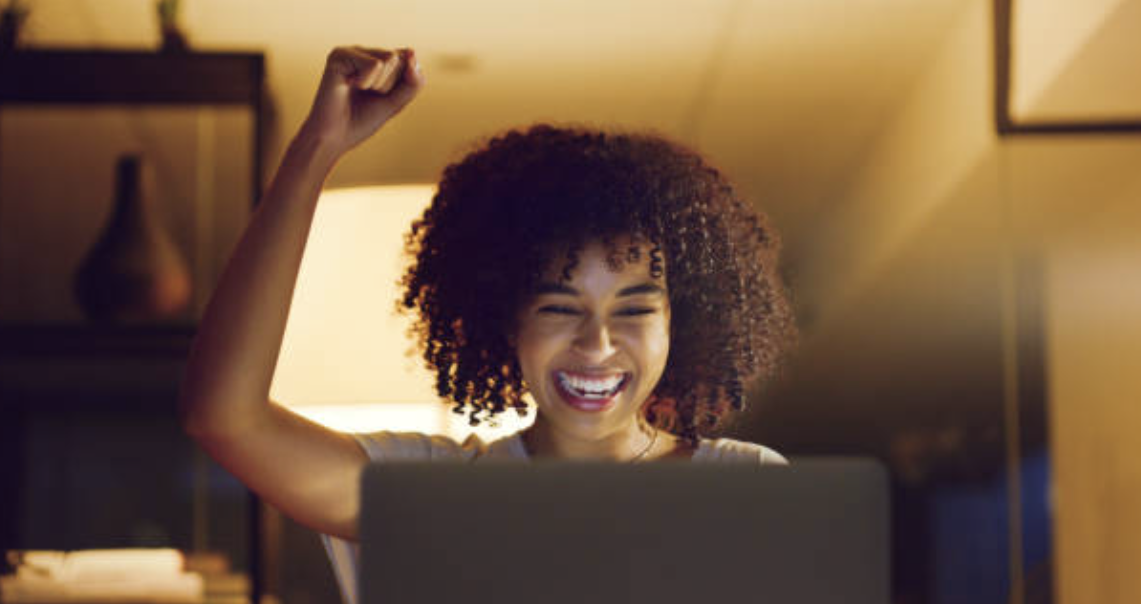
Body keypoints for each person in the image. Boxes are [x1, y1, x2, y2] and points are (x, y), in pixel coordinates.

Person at [178, 46, 797, 604]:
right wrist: (315, 153)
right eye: (559, 307)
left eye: (634, 308)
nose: (597, 344)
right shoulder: (426, 495)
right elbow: (225, 419)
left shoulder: (746, 485)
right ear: (505, 320)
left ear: (681, 323)